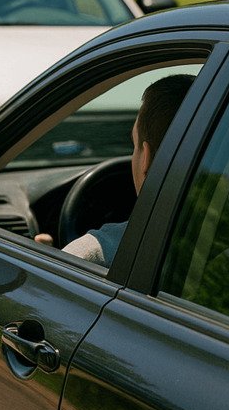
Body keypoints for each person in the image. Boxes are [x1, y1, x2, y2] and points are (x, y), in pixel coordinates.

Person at [36, 73, 195, 266]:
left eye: (134, 145)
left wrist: (47, 262)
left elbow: (51, 287)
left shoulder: (98, 252)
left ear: (145, 157)